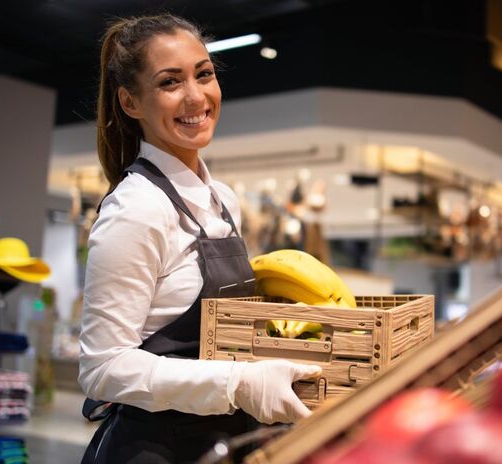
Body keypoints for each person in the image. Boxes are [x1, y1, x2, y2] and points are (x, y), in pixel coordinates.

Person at [78, 14, 322, 464]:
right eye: (170, 82)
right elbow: (102, 368)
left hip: (224, 441)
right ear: (131, 103)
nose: (196, 96)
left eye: (203, 74)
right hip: (155, 448)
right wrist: (237, 384)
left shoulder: (223, 200)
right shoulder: (136, 209)